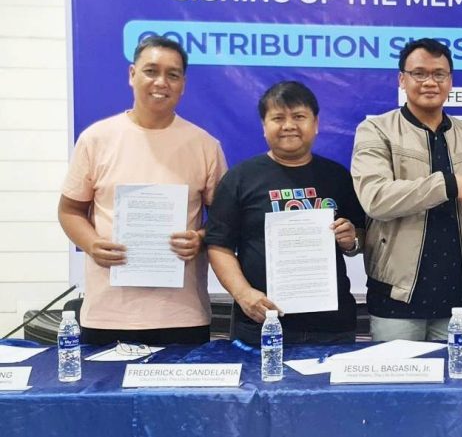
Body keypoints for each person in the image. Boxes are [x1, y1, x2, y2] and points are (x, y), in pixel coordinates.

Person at [58, 35, 227, 345]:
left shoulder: (205, 146)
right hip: (107, 314)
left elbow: (224, 220)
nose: (161, 82)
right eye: (151, 71)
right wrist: (92, 243)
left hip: (182, 315)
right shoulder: (96, 139)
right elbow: (69, 210)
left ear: (183, 84)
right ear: (132, 74)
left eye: (172, 74)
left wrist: (200, 238)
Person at [351, 38, 462, 341]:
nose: (430, 82)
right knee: (400, 388)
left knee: (460, 385)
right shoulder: (376, 130)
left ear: (450, 81)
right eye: (419, 73)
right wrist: (448, 184)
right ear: (402, 79)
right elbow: (376, 198)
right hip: (397, 297)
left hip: (460, 297)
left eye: (439, 74)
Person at [206, 81, 366, 345]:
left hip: (333, 326)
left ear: (315, 124)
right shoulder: (240, 179)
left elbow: (361, 236)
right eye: (278, 118)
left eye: (299, 117)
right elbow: (218, 245)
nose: (289, 125)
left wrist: (353, 239)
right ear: (264, 127)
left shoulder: (337, 176)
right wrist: (243, 294)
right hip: (261, 325)